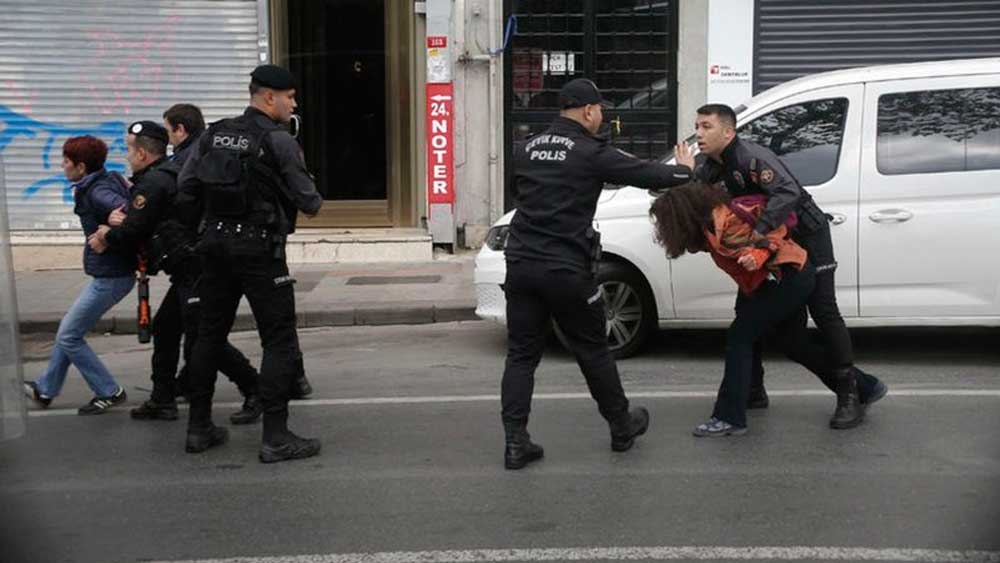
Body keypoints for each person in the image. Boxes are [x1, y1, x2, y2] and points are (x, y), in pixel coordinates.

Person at [500, 78, 694, 470]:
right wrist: (685, 170)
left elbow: (519, 196)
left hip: (521, 265)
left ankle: (515, 442)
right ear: (588, 111)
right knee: (592, 349)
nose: (602, 117)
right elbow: (650, 175)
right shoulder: (590, 152)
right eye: (601, 110)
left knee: (521, 356)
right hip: (566, 270)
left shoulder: (524, 150)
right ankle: (622, 426)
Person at [677, 104, 887, 429]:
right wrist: (686, 172)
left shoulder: (751, 158)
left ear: (728, 132)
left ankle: (850, 392)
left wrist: (759, 237)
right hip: (769, 248)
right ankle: (752, 389)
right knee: (755, 316)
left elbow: (787, 192)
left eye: (706, 127)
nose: (699, 135)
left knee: (824, 311)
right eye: (697, 126)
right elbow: (696, 202)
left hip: (807, 237)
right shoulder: (709, 167)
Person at [175, 64, 322, 462]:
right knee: (279, 341)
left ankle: (198, 427)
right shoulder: (278, 141)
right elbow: (310, 202)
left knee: (208, 335)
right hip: (260, 252)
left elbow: (185, 190)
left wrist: (203, 233)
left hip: (214, 250)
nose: (293, 104)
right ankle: (275, 436)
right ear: (268, 97)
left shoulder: (214, 133)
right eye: (289, 97)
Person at [87, 120, 262, 424]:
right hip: (187, 269)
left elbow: (135, 228)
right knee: (167, 329)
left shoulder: (154, 182)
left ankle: (255, 389)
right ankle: (162, 398)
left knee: (206, 339)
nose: (127, 155)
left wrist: (105, 236)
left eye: (130, 148)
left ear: (142, 154)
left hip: (194, 269)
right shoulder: (162, 175)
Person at [651, 183, 828, 435]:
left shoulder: (727, 223)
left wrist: (758, 254)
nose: (664, 230)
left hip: (787, 275)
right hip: (771, 280)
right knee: (793, 344)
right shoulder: (709, 226)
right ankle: (861, 386)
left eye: (667, 223)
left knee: (740, 337)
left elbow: (773, 231)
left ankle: (729, 416)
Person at [22, 136, 133, 414]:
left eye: (66, 161)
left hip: (113, 277)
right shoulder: (102, 181)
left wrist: (107, 235)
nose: (62, 166)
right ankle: (46, 388)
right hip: (109, 274)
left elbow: (134, 213)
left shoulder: (98, 192)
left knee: (70, 335)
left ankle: (109, 391)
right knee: (69, 331)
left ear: (81, 166)